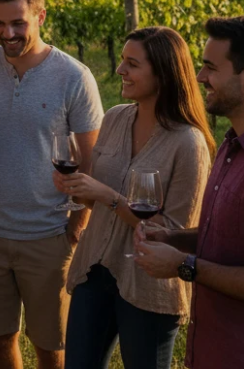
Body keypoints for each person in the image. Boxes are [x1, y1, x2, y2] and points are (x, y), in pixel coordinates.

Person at [0, 0, 104, 369]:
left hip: (49, 236)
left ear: (41, 16)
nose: (8, 33)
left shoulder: (74, 78)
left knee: (52, 350)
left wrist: (75, 229)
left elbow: (92, 164)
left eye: (18, 23)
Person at [57, 27, 212, 369]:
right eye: (122, 60)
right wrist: (77, 189)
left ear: (163, 74)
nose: (119, 70)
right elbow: (95, 199)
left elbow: (172, 232)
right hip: (95, 269)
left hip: (149, 283)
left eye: (132, 63)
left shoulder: (188, 143)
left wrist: (110, 197)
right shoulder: (114, 118)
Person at [135, 16, 244, 367]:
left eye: (211, 67)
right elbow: (226, 240)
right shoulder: (228, 148)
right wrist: (174, 238)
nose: (199, 77)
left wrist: (185, 266)